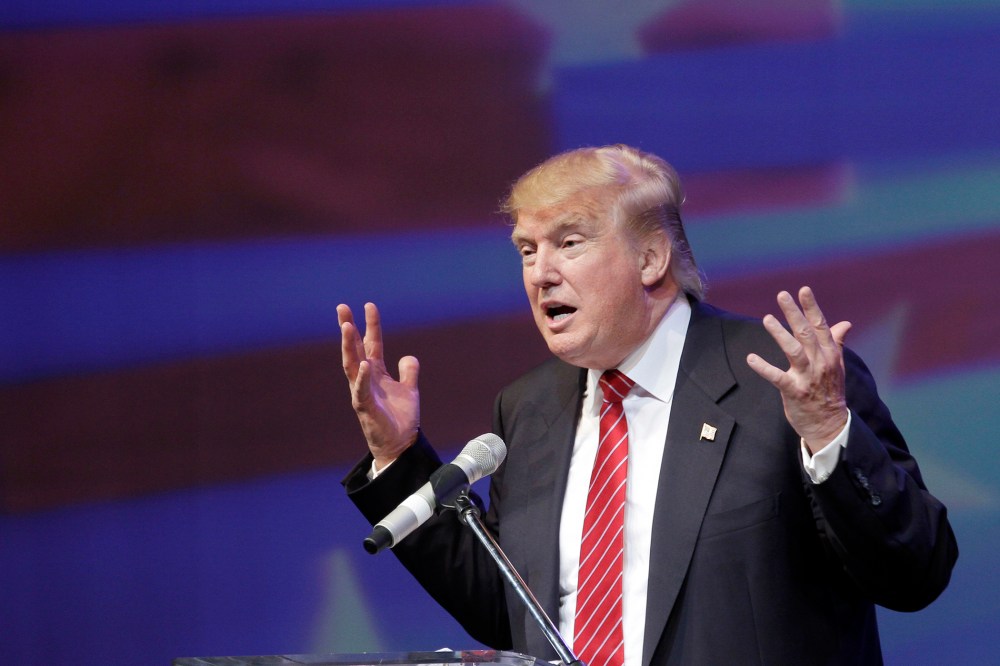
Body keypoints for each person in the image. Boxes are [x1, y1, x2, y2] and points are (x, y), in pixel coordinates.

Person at [337, 145, 957, 666]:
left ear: (652, 258)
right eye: (527, 250)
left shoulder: (784, 382)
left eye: (569, 242)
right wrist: (396, 457)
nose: (540, 274)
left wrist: (827, 431)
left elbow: (915, 573)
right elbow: (509, 611)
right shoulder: (528, 409)